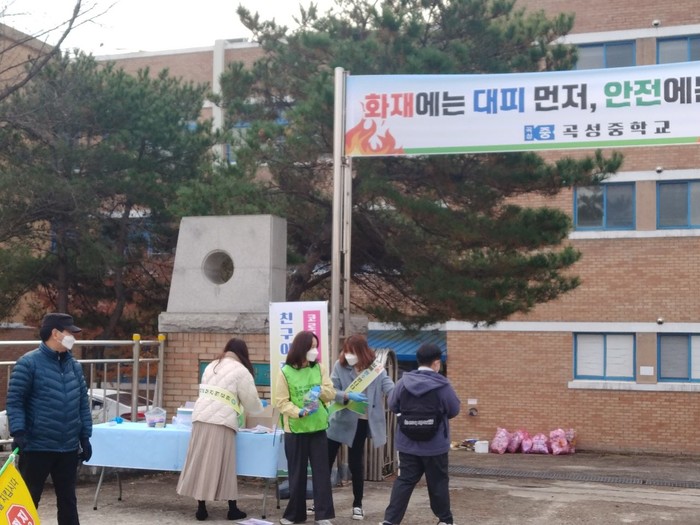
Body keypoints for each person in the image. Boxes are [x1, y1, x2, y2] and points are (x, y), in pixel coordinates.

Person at [7, 312, 93, 525]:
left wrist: (85, 437)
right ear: (55, 333)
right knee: (28, 501)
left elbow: (82, 403)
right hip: (37, 446)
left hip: (68, 447)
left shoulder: (74, 366)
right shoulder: (28, 363)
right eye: (69, 332)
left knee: (68, 502)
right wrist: (18, 432)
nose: (73, 337)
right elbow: (15, 401)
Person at [177, 337, 265, 521]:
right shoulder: (241, 371)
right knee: (225, 464)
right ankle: (232, 509)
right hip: (222, 421)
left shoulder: (212, 365)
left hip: (200, 418)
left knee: (201, 462)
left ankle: (201, 508)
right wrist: (260, 409)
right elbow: (252, 403)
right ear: (243, 353)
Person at [381, 343, 461, 525]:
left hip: (407, 444)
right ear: (436, 363)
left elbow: (393, 405)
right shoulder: (442, 386)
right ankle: (445, 520)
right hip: (435, 446)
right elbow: (454, 409)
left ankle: (390, 521)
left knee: (404, 481)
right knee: (438, 483)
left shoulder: (403, 383)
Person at [325, 334, 394, 521]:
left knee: (356, 463)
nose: (348, 355)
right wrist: (346, 396)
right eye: (346, 351)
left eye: (352, 352)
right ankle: (320, 501)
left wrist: (403, 397)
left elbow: (390, 388)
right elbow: (331, 390)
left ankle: (357, 504)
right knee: (326, 461)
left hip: (361, 422)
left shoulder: (375, 369)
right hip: (340, 419)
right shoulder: (340, 366)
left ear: (362, 352)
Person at [275, 330, 336, 525]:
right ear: (301, 348)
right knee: (297, 474)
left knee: (321, 474)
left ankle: (323, 515)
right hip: (295, 430)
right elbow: (281, 402)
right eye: (311, 347)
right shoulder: (285, 372)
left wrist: (321, 390)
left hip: (318, 428)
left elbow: (331, 392)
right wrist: (298, 412)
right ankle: (295, 514)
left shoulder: (319, 368)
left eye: (316, 347)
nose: (315, 351)